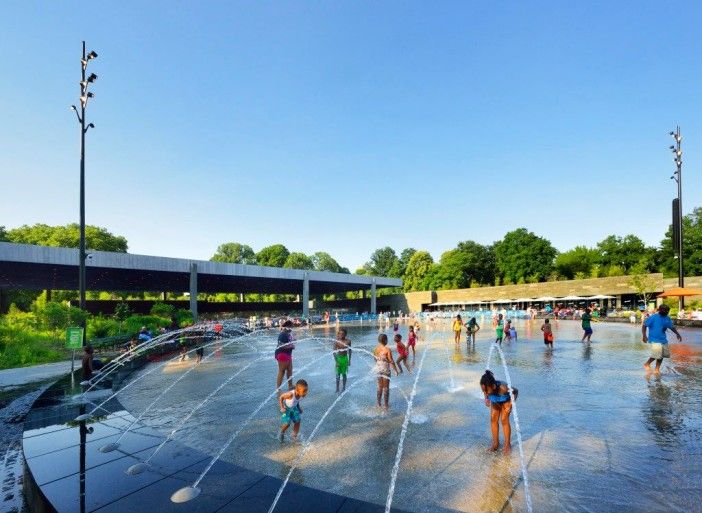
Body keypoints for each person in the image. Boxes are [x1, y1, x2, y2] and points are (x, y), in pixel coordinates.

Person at [480, 369, 518, 453]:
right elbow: (485, 392)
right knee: (493, 418)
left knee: (504, 419)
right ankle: (495, 444)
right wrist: (486, 398)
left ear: (493, 386)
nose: (485, 392)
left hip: (506, 400)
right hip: (495, 400)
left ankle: (507, 444)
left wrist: (511, 404)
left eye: (486, 391)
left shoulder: (503, 387)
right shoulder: (486, 388)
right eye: (483, 390)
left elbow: (515, 391)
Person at [642, 304, 682, 374]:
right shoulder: (653, 317)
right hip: (654, 339)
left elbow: (671, 327)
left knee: (662, 355)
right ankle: (647, 364)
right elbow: (644, 325)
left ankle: (657, 369)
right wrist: (644, 336)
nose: (666, 311)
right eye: (664, 310)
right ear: (659, 310)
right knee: (656, 354)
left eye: (667, 310)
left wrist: (677, 334)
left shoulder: (667, 318)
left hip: (663, 339)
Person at [373, 334, 399, 410]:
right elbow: (391, 361)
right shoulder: (387, 349)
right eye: (387, 339)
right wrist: (396, 370)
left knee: (379, 387)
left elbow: (375, 359)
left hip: (378, 369)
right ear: (385, 340)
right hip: (385, 370)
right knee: (386, 388)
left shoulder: (375, 349)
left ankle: (378, 403)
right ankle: (386, 405)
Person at [275, 320, 295, 392]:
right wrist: (291, 346)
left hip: (288, 354)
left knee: (289, 370)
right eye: (292, 327)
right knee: (282, 371)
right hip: (282, 354)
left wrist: (293, 342)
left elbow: (289, 342)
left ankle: (290, 385)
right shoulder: (283, 334)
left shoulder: (288, 334)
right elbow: (281, 346)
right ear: (288, 327)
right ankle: (278, 388)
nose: (292, 328)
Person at [333, 328, 352, 393]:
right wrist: (336, 361)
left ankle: (344, 387)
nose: (341, 335)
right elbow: (334, 352)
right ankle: (337, 388)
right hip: (338, 358)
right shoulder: (336, 341)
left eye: (342, 334)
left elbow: (350, 351)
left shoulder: (348, 341)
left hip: (345, 359)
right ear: (338, 334)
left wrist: (349, 360)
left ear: (345, 334)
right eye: (339, 333)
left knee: (344, 374)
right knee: (337, 375)